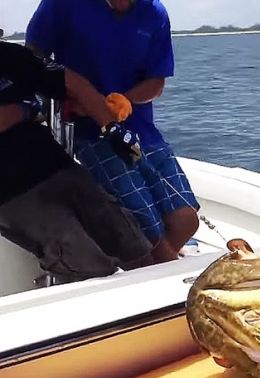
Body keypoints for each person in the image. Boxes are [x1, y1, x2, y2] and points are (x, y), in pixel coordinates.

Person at [26, 0, 200, 264]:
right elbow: (31, 57)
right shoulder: (62, 4)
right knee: (149, 231)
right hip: (89, 133)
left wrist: (124, 101)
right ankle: (157, 267)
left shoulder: (154, 12)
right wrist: (65, 95)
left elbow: (156, 81)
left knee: (186, 220)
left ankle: (147, 266)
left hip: (141, 129)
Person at [0, 37, 154, 281]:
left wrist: (111, 127)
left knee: (133, 245)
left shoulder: (8, 55)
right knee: (88, 270)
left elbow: (72, 83)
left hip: (56, 165)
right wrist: (24, 109)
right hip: (12, 195)